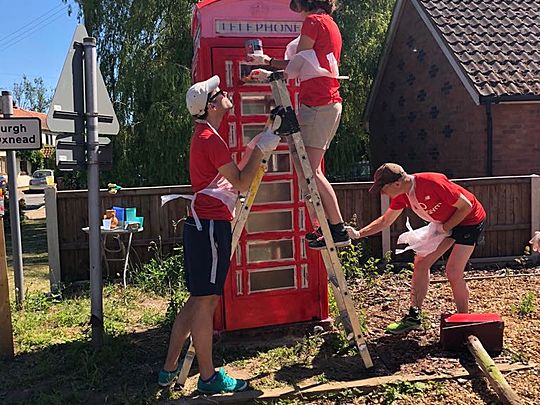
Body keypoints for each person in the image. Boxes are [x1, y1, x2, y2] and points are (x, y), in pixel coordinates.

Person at [158, 75, 280, 392]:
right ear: (212, 105)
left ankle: (168, 369)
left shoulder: (208, 134)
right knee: (206, 303)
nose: (227, 95)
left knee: (197, 300)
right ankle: (209, 379)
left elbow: (231, 172)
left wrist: (263, 136)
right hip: (210, 228)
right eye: (221, 93)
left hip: (203, 226)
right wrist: (264, 147)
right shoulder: (210, 139)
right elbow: (240, 182)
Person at [248, 0, 349, 250]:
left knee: (311, 172)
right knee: (307, 170)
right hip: (322, 104)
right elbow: (299, 67)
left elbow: (293, 68)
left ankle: (337, 229)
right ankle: (323, 226)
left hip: (318, 105)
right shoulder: (330, 24)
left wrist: (266, 63)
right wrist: (268, 65)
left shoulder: (313, 22)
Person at [346, 163, 487, 335]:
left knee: (453, 272)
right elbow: (385, 221)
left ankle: (464, 320)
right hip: (445, 223)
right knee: (421, 263)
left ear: (397, 184)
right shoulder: (403, 195)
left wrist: (445, 228)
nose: (382, 194)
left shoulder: (431, 182)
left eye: (383, 188)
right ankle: (414, 317)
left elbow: (466, 206)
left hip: (469, 221)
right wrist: (359, 233)